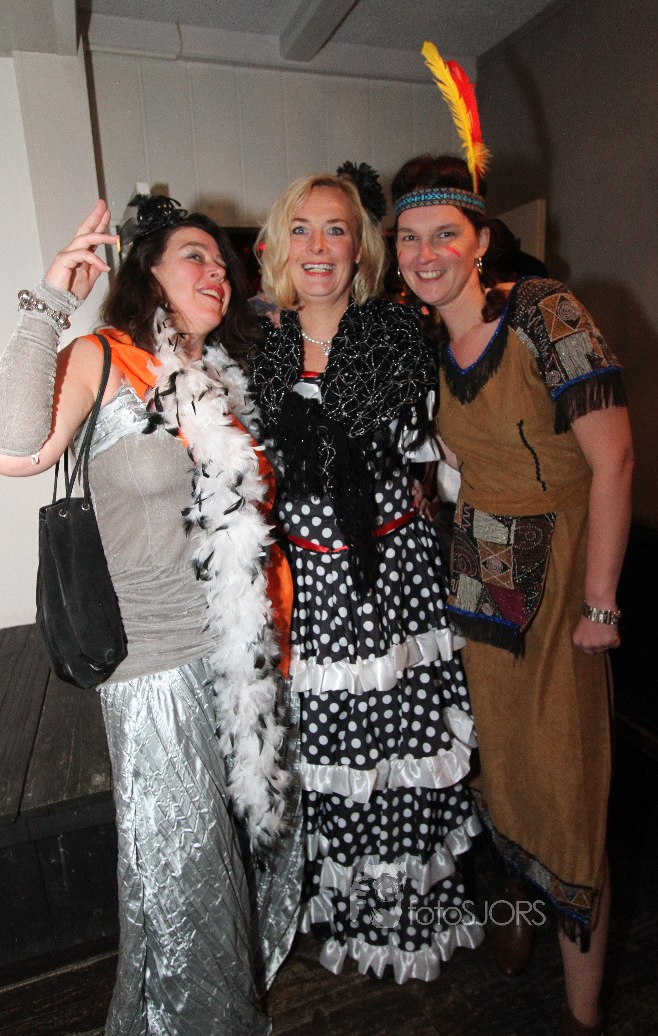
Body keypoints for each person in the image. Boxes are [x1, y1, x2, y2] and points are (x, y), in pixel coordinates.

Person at [0, 196, 302, 1035]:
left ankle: (227, 1005)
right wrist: (51, 297)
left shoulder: (222, 380)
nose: (216, 272)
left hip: (237, 658)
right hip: (152, 666)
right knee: (184, 875)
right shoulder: (104, 358)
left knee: (249, 858)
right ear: (147, 274)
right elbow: (8, 450)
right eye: (195, 256)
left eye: (223, 262)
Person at [392, 153, 633, 1035]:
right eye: (409, 238)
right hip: (482, 568)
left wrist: (599, 605)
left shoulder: (544, 309)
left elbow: (613, 458)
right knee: (498, 768)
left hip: (564, 567)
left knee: (566, 782)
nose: (425, 254)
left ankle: (581, 1011)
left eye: (443, 234)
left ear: (479, 239)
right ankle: (516, 913)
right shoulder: (426, 341)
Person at [250, 171, 483, 984]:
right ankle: (348, 913)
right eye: (302, 229)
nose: (318, 246)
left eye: (336, 229)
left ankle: (413, 917)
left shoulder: (398, 335)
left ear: (360, 248)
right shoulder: (260, 350)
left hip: (393, 581)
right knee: (334, 760)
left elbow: (448, 450)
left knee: (402, 747)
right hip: (309, 593)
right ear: (281, 246)